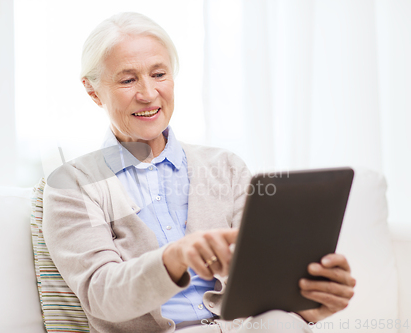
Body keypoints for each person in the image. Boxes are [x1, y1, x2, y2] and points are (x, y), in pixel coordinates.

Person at [42, 12, 356, 333]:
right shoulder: (76, 184)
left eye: (159, 74)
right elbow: (102, 294)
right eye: (127, 79)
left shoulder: (226, 167)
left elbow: (263, 276)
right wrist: (174, 257)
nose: (149, 94)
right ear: (93, 92)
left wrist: (311, 300)